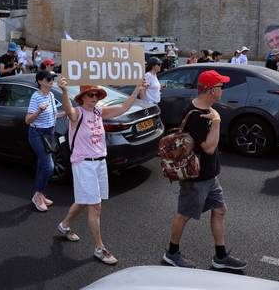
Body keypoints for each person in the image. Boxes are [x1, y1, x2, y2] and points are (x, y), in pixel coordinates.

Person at [56, 77, 146, 265]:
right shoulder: (77, 114)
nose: (94, 97)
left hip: (99, 163)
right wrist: (64, 91)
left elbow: (122, 109)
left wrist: (137, 90)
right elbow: (68, 109)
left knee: (83, 200)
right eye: (90, 94)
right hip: (84, 164)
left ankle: (64, 225)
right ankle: (99, 248)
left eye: (96, 94)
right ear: (82, 97)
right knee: (95, 206)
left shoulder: (98, 111)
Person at [162, 70, 246, 270]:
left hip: (209, 174)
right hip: (196, 176)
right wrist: (216, 121)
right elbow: (209, 147)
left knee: (220, 210)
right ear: (210, 90)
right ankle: (172, 253)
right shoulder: (197, 115)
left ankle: (220, 256)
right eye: (220, 86)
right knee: (184, 214)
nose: (223, 90)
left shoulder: (207, 108)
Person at [25, 70, 58, 212]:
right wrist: (39, 111)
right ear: (40, 81)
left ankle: (41, 194)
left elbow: (54, 114)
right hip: (37, 134)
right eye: (48, 78)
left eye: (52, 78)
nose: (51, 80)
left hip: (49, 133)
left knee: (42, 165)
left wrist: (69, 113)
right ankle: (38, 195)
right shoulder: (36, 97)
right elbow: (27, 120)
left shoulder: (50, 95)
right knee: (48, 166)